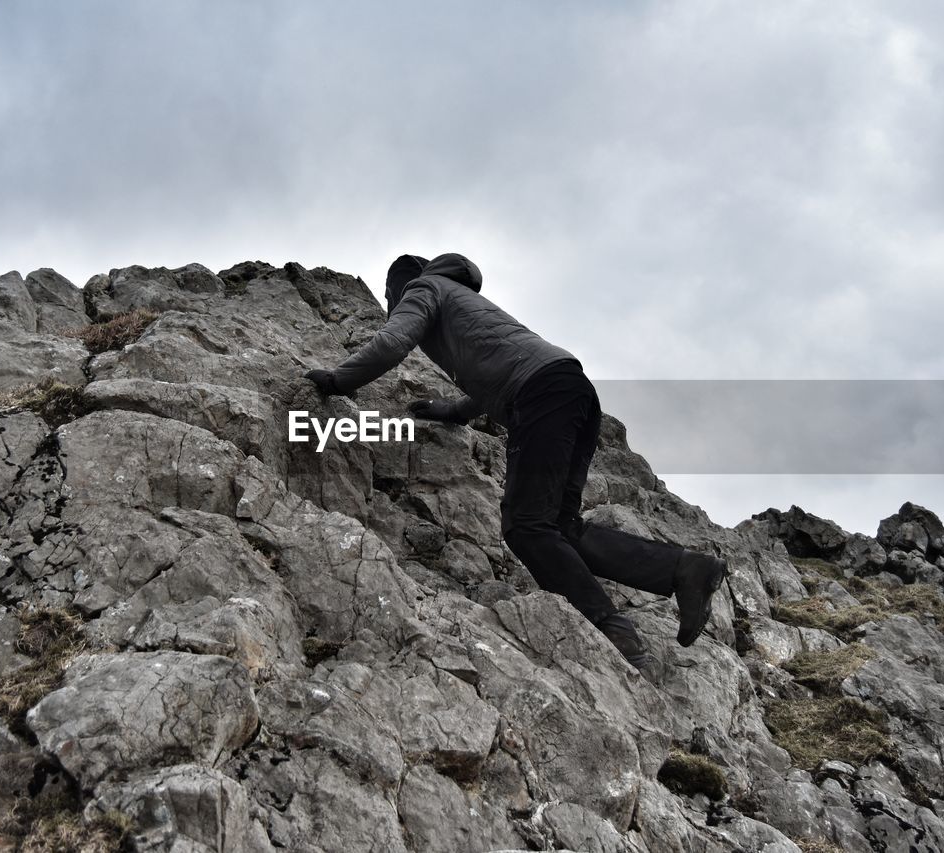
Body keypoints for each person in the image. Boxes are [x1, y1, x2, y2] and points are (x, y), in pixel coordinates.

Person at [304, 252, 726, 672]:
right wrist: (452, 411)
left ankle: (612, 628)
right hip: (573, 389)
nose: (390, 303)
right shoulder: (468, 302)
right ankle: (685, 568)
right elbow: (499, 366)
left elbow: (394, 341)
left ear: (400, 286)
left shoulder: (424, 288)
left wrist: (340, 380)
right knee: (559, 527)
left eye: (388, 294)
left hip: (540, 396)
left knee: (526, 526)